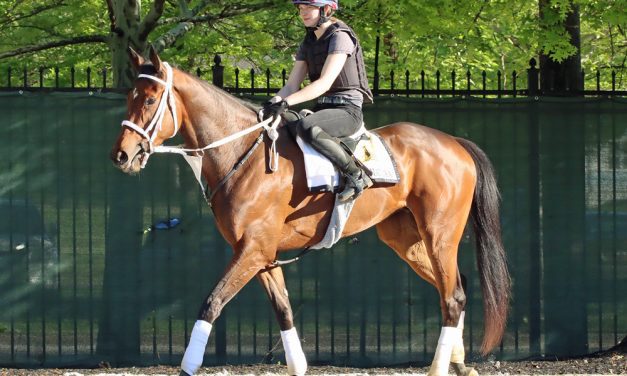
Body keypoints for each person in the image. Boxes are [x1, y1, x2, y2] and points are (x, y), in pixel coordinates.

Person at [263, 0, 374, 202]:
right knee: (283, 121)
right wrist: (273, 103)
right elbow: (290, 86)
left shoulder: (340, 36)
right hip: (323, 109)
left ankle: (356, 175)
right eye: (300, 8)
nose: (302, 13)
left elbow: (324, 83)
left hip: (348, 111)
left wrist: (287, 102)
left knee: (306, 126)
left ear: (327, 9)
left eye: (309, 8)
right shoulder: (308, 42)